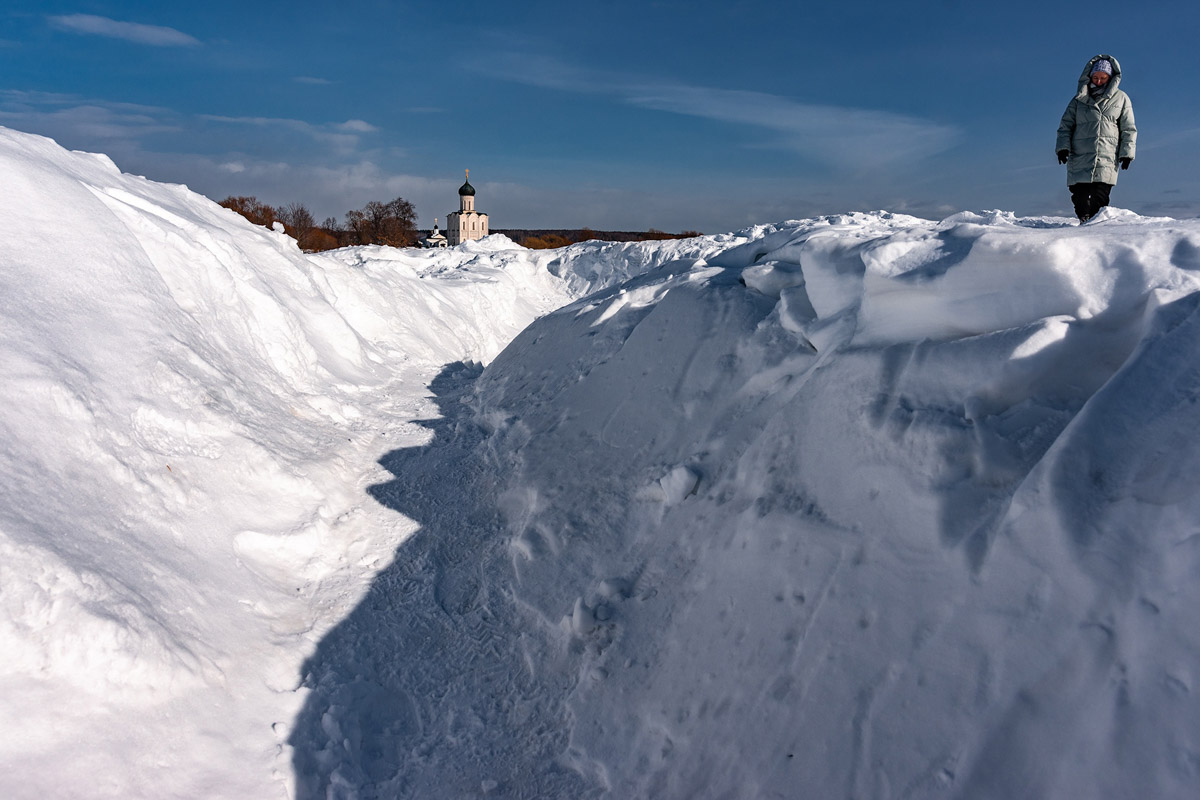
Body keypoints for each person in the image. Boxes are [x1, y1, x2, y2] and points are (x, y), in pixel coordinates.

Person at [1055, 54, 1137, 222]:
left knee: (1100, 197)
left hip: (1106, 156)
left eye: (1103, 78)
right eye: (1095, 77)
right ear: (1089, 76)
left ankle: (1095, 228)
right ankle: (1085, 222)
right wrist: (1062, 148)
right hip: (1080, 156)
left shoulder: (1121, 98)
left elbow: (1128, 128)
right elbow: (1065, 126)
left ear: (1110, 78)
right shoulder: (1078, 100)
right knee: (1080, 197)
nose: (1099, 81)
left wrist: (1127, 153)